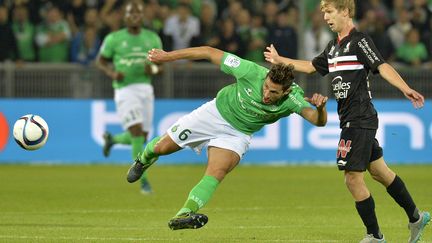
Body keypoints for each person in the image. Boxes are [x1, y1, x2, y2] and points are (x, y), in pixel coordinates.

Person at [264, 0, 429, 242]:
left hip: (359, 117)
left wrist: (405, 88)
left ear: (345, 11)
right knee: (381, 173)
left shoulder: (359, 41)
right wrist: (280, 60)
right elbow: (310, 67)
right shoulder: (332, 47)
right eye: (323, 13)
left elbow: (381, 66)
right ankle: (417, 218)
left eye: (330, 12)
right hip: (351, 118)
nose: (326, 17)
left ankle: (375, 236)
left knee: (352, 178)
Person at [126, 45, 329, 230]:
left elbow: (317, 121)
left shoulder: (293, 98)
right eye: (266, 86)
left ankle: (184, 213)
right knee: (161, 148)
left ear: (286, 91)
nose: (265, 94)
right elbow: (208, 52)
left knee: (217, 171)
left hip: (237, 134)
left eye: (273, 92)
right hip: (214, 115)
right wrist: (168, 57)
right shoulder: (249, 70)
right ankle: (143, 159)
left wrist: (320, 109)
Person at [96, 0, 162, 194]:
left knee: (143, 137)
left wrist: (155, 69)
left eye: (137, 13)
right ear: (124, 16)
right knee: (136, 131)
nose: (134, 16)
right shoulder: (114, 39)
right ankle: (143, 181)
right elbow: (100, 62)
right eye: (130, 13)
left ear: (143, 16)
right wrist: (112, 73)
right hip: (125, 90)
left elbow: (163, 67)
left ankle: (113, 140)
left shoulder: (153, 38)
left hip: (145, 89)